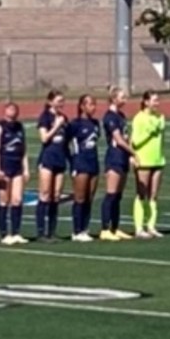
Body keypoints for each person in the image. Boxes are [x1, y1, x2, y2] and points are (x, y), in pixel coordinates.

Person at [100, 87, 135, 241]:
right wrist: (134, 153)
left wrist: (129, 154)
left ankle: (115, 227)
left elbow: (126, 137)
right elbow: (119, 139)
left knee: (118, 195)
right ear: (113, 99)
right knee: (111, 194)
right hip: (114, 156)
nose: (125, 100)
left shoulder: (121, 115)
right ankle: (105, 228)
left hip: (123, 157)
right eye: (122, 97)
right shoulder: (110, 117)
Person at [131, 91, 166, 238]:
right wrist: (150, 131)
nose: (156, 103)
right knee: (141, 194)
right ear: (146, 102)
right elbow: (135, 141)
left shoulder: (159, 117)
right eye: (154, 100)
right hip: (143, 160)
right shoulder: (139, 118)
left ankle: (151, 226)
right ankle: (139, 228)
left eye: (158, 100)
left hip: (157, 159)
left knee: (153, 195)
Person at [67, 95, 102, 242]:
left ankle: (85, 228)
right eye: (90, 104)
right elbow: (66, 143)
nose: (93, 107)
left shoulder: (95, 123)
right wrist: (72, 160)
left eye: (94, 104)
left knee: (89, 197)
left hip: (93, 162)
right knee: (80, 198)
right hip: (80, 163)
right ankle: (77, 230)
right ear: (82, 106)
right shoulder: (75, 124)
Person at [35, 91, 69, 242]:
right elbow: (44, 138)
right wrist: (56, 126)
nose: (61, 103)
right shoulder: (45, 117)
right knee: (45, 194)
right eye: (58, 101)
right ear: (50, 102)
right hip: (47, 159)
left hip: (60, 160)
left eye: (63, 100)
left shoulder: (64, 118)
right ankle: (41, 232)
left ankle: (52, 231)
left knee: (56, 196)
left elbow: (66, 142)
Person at [0, 103, 30, 245]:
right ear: (5, 111)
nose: (13, 111)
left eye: (15, 109)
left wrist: (26, 168)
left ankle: (16, 232)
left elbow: (24, 149)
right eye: (10, 109)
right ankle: (4, 234)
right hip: (4, 166)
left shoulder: (20, 127)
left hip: (17, 167)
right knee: (4, 201)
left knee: (17, 200)